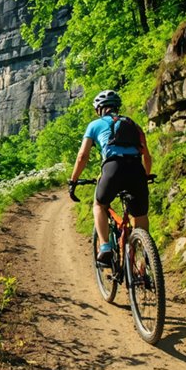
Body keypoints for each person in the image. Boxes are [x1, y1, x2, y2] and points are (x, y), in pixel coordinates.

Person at [68, 89, 152, 263]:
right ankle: (145, 257)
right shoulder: (133, 124)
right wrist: (146, 176)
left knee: (99, 204)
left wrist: (73, 180)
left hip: (113, 167)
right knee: (140, 214)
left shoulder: (95, 125)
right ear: (117, 107)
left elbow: (82, 156)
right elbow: (146, 155)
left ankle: (105, 246)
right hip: (136, 169)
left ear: (99, 109)